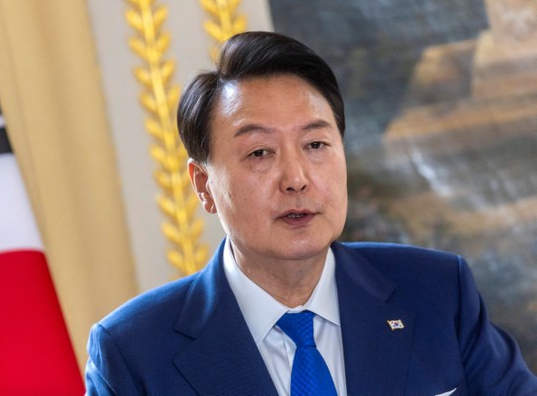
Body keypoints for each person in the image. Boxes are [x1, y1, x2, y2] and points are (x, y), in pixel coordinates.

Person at [85, 31, 537, 396]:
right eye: (260, 152)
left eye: (316, 144)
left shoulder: (437, 294)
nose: (296, 178)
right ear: (204, 185)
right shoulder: (134, 352)